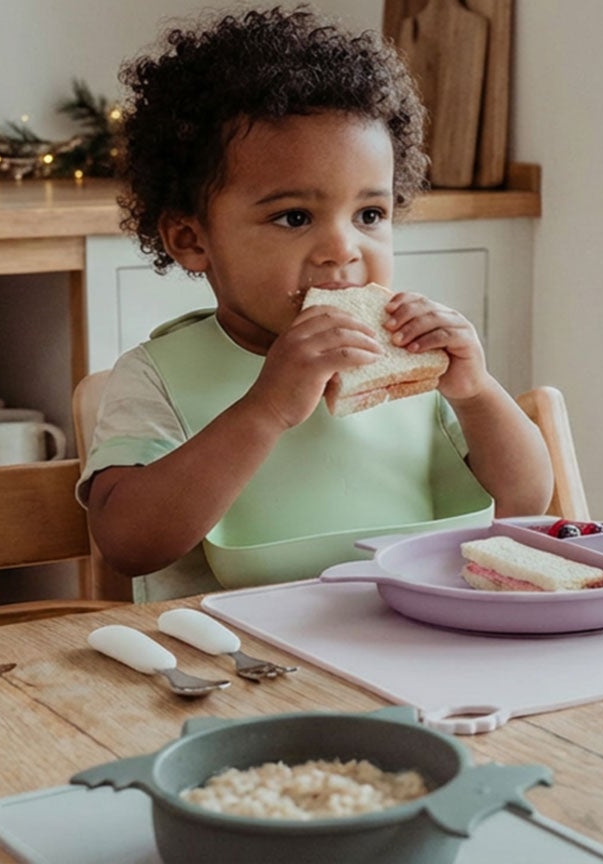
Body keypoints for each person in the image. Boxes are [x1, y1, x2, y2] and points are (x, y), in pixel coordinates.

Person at [79, 6, 553, 600]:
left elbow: (524, 502)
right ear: (191, 239)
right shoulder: (155, 378)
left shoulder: (415, 362)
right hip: (232, 661)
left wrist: (478, 394)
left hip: (411, 637)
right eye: (294, 217)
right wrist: (266, 408)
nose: (341, 249)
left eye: (369, 215)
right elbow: (128, 546)